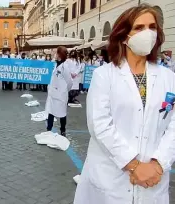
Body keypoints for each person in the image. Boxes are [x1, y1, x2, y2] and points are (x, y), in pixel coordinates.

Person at [74, 4, 175, 204]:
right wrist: (134, 165)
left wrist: (158, 164)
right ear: (124, 36)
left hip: (153, 180)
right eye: (139, 28)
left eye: (152, 27)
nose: (148, 33)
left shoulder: (168, 77)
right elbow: (100, 125)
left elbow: (173, 126)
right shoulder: (104, 75)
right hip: (110, 179)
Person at [45, 46, 73, 136]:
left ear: (60, 55)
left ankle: (63, 130)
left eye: (56, 53)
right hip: (53, 93)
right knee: (51, 111)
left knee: (62, 113)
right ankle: (48, 129)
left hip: (61, 94)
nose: (55, 54)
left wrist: (64, 90)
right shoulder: (55, 64)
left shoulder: (65, 67)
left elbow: (69, 82)